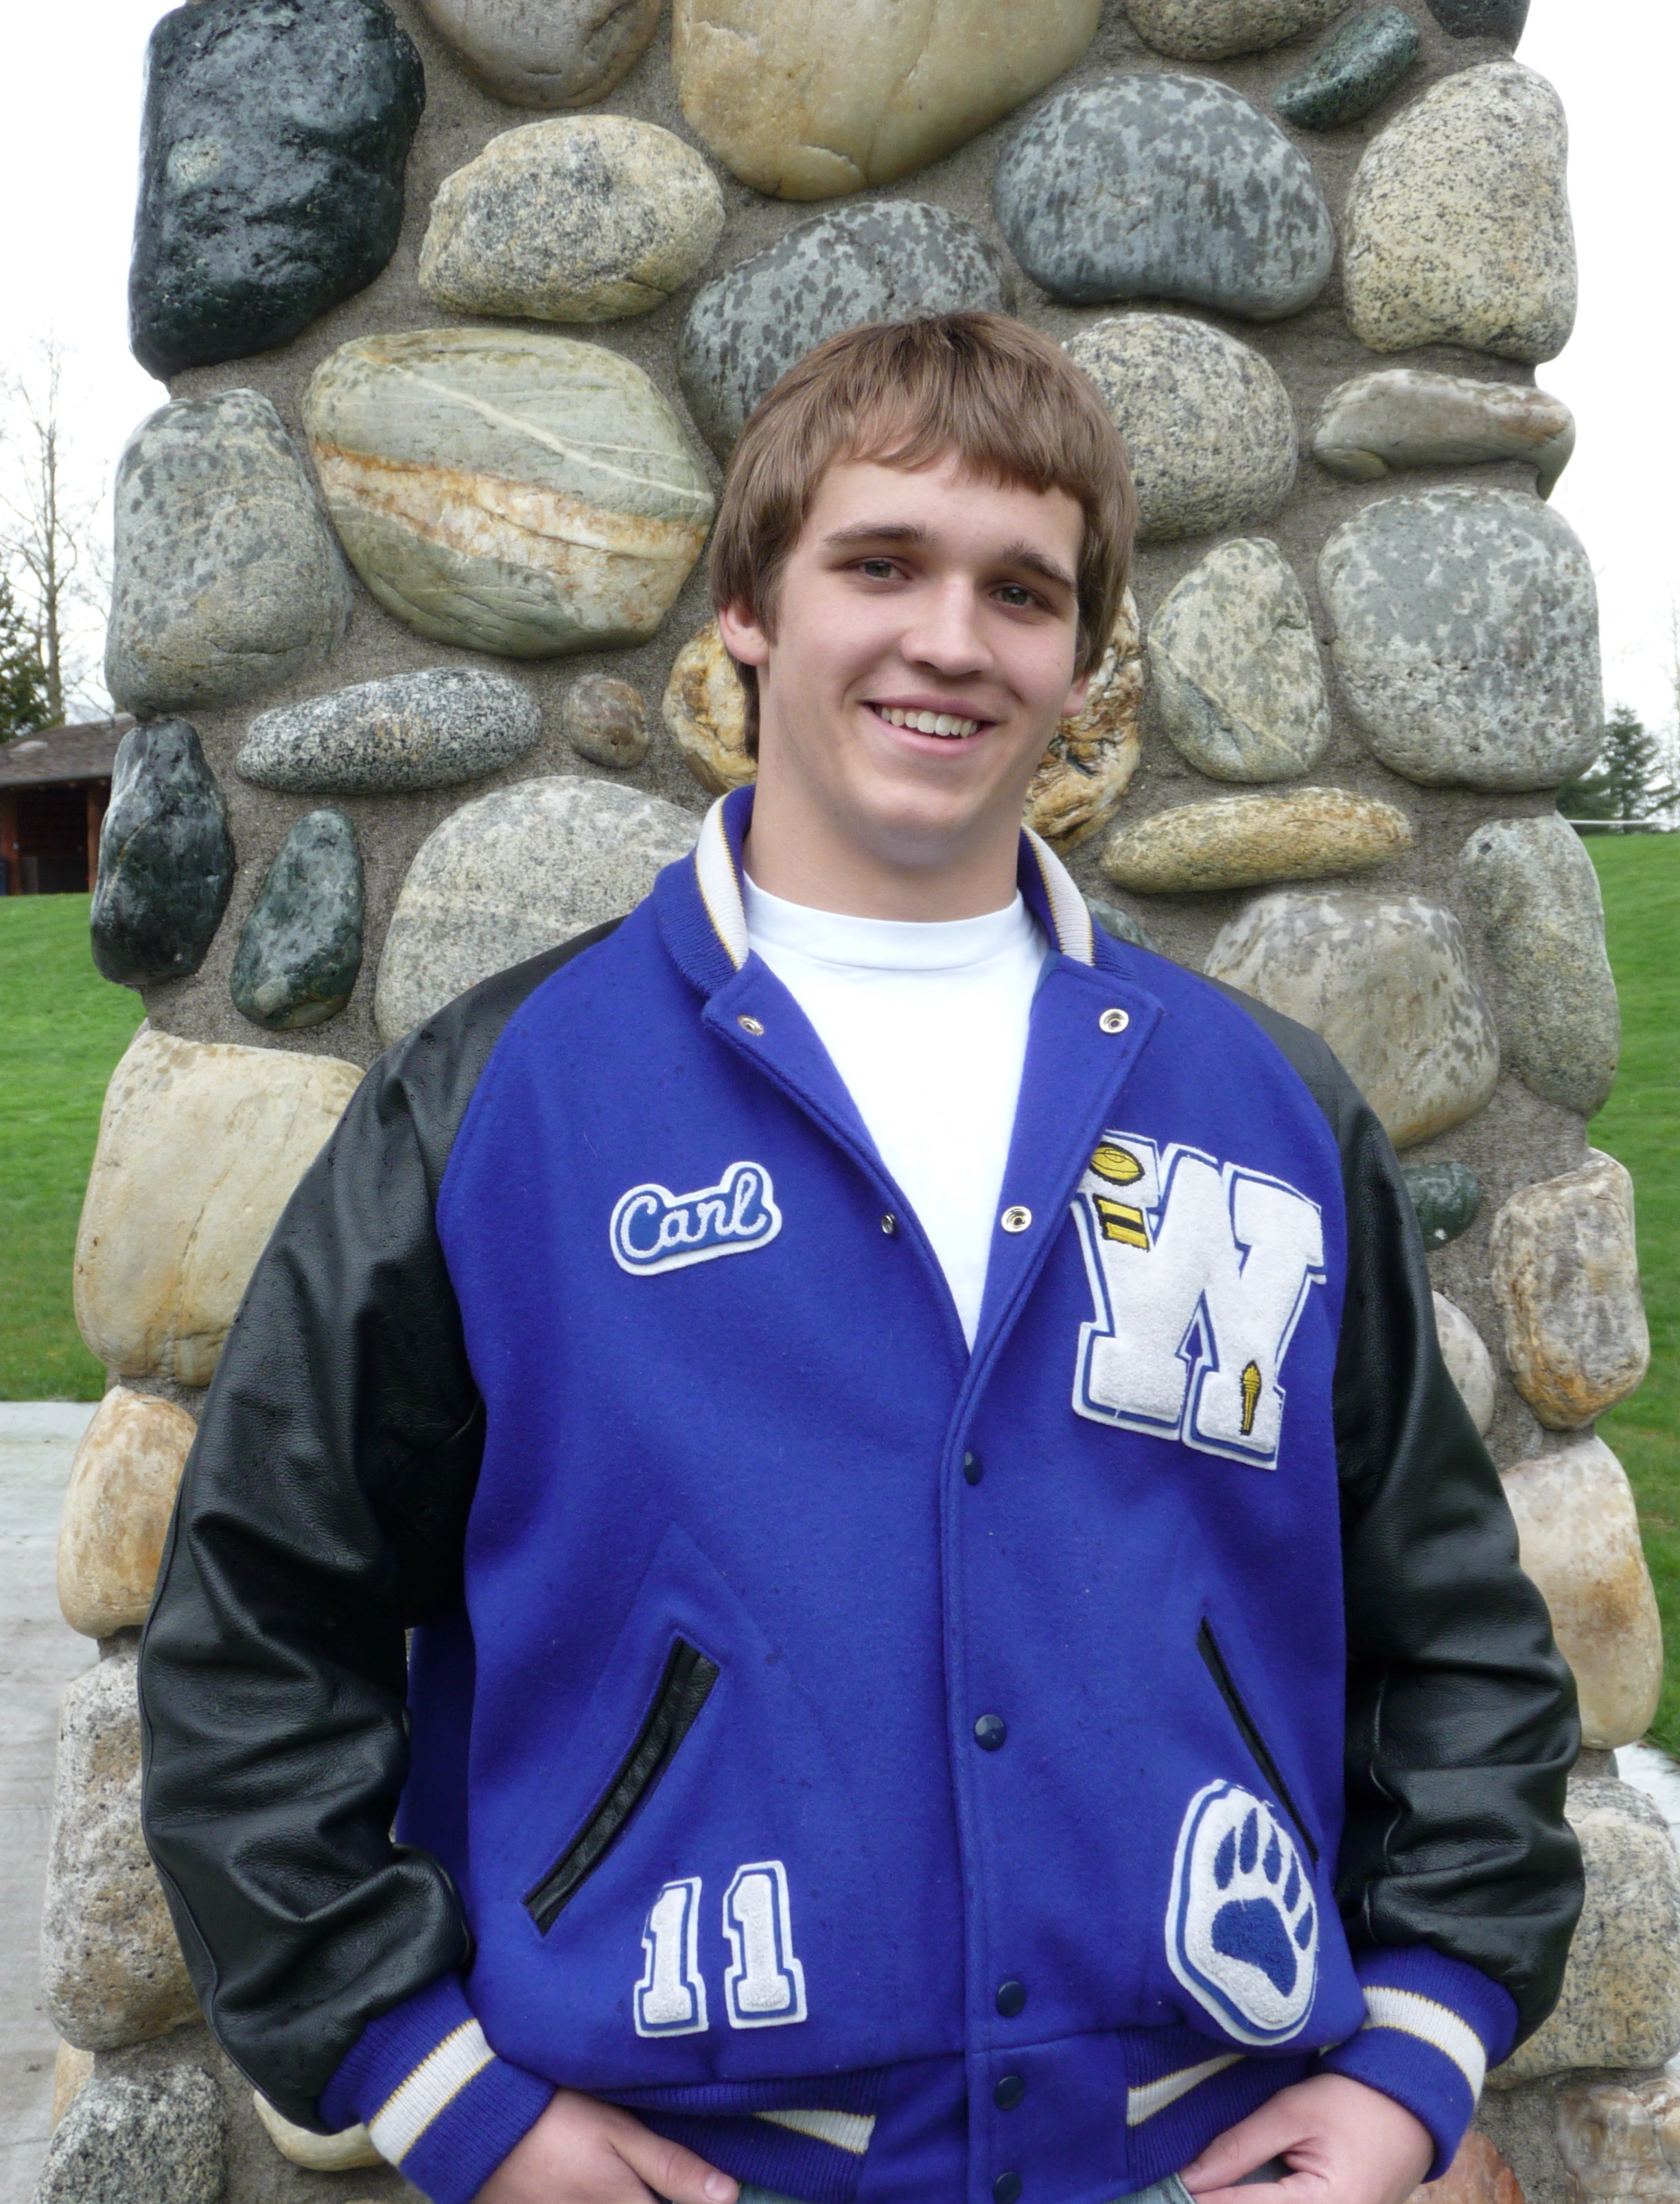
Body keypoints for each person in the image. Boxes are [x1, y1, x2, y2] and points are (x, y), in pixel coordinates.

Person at [139, 314, 1581, 2204]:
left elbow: (1452, 1631)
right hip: (690, 2161)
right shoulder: (506, 1104)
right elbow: (259, 1623)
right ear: (749, 608)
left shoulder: (1263, 1105)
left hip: (1194, 2153)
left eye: (1022, 590)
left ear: (1082, 657)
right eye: (882, 564)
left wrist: (1424, 2042)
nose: (952, 640)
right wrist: (428, 2084)